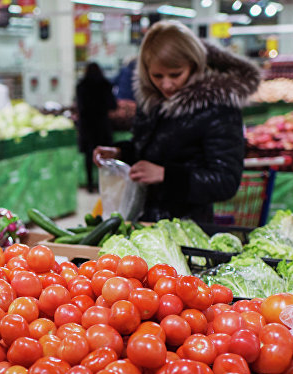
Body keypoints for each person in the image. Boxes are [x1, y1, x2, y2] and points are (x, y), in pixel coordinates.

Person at [93, 20, 260, 223]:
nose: (166, 84)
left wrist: (166, 175)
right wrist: (120, 153)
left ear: (194, 64)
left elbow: (226, 181)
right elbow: (150, 149)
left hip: (189, 228)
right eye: (157, 75)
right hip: (145, 221)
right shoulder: (153, 101)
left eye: (175, 74)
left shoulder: (218, 107)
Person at [76, 62, 117, 193]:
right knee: (104, 156)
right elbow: (112, 105)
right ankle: (104, 184)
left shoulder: (81, 86)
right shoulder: (105, 84)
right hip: (102, 125)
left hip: (87, 126)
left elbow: (80, 107)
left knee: (89, 156)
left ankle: (89, 184)